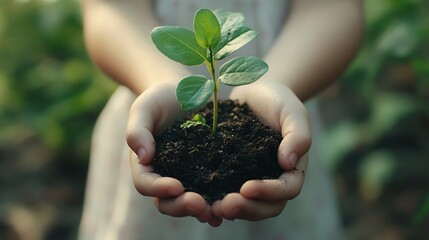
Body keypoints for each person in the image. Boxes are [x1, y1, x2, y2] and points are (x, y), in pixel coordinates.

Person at [78, 0, 364, 239]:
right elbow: (110, 10)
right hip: (149, 92)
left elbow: (333, 8)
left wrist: (274, 84)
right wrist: (165, 83)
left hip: (288, 95)